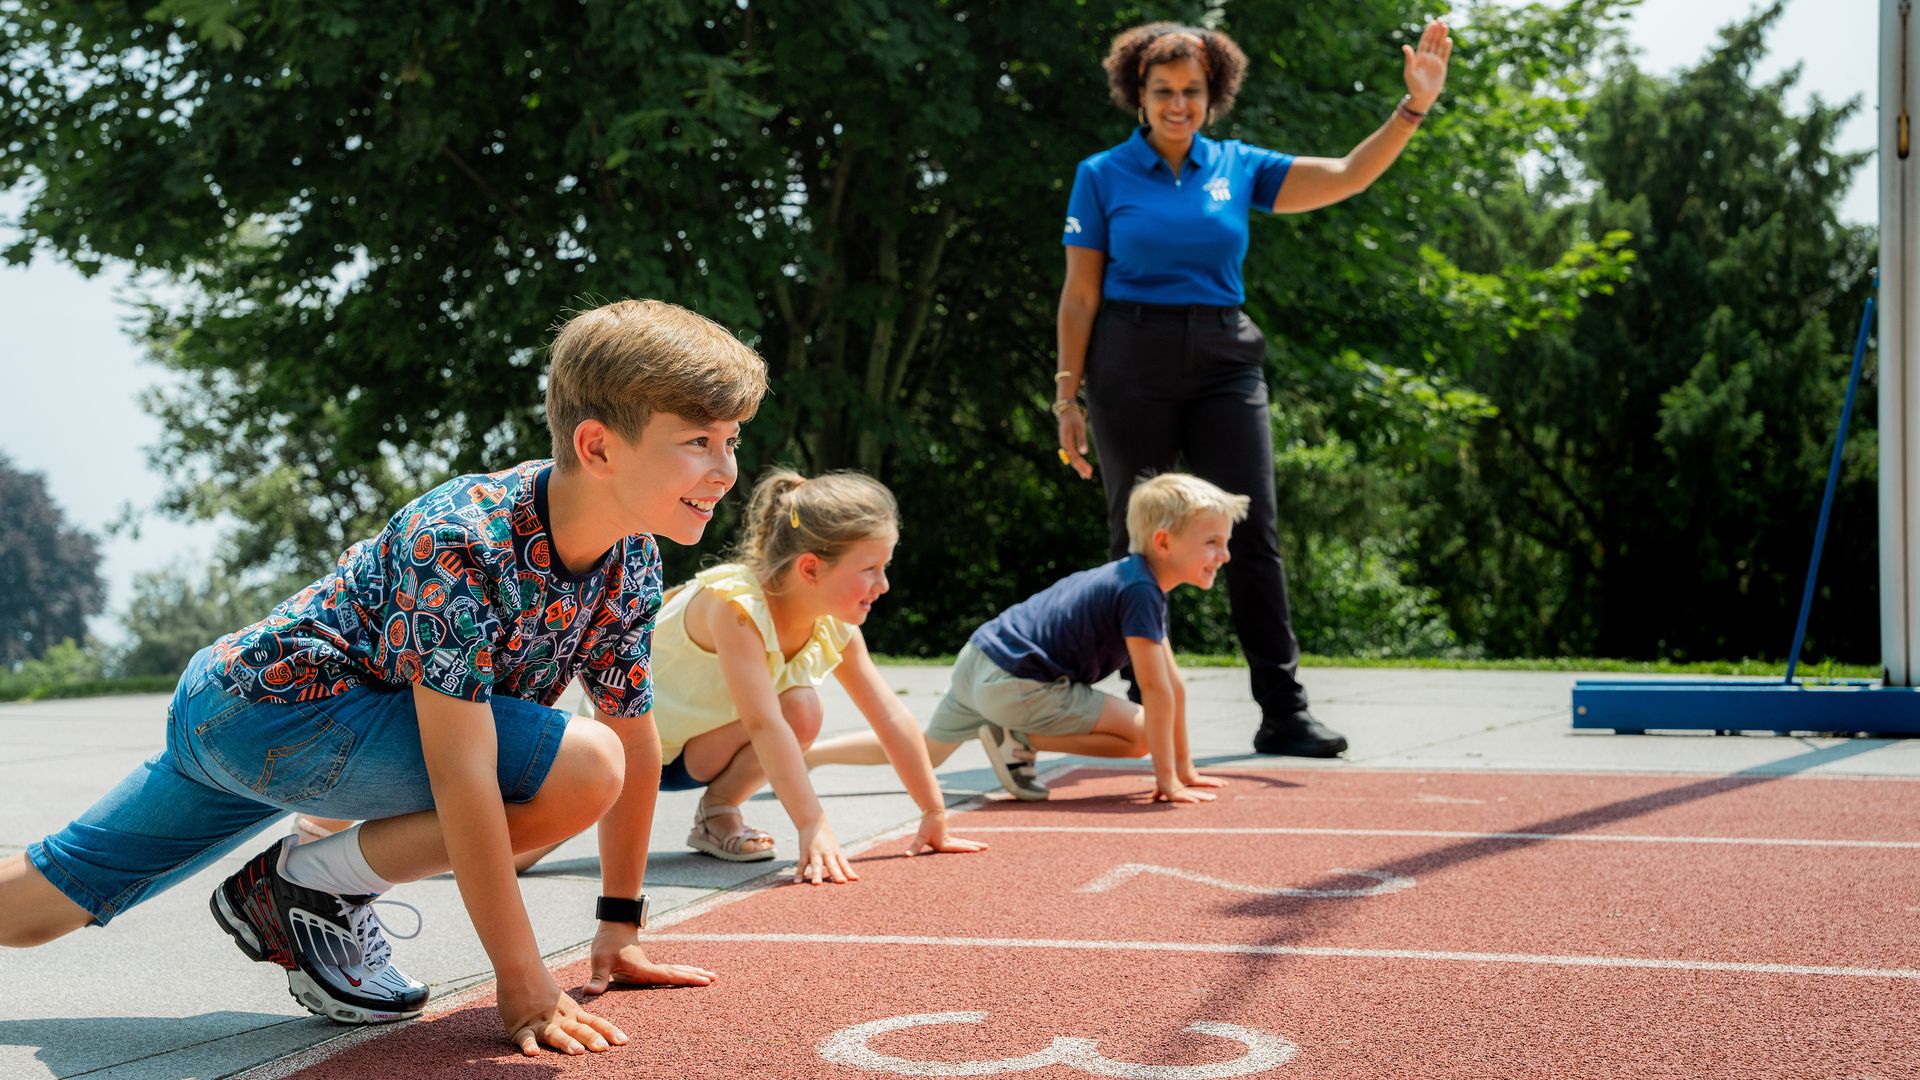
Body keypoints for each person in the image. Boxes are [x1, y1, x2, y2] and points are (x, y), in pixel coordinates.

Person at [0, 298, 765, 1058]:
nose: (726, 470)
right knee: (583, 764)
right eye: (699, 442)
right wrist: (522, 977)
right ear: (597, 446)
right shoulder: (466, 537)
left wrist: (620, 923)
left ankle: (305, 879)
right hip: (274, 715)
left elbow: (636, 727)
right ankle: (299, 889)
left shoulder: (631, 557)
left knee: (33, 911)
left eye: (732, 441)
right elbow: (462, 769)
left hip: (242, 719)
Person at [1053, 19, 1453, 758]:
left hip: (1224, 358)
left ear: (1216, 95)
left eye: (1193, 92)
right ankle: (1150, 710)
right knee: (1137, 538)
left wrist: (1413, 108)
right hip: (1128, 357)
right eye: (1164, 91)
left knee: (1252, 533)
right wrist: (1066, 398)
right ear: (1137, 94)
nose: (1179, 104)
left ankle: (1283, 710)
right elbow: (1079, 297)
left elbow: (1347, 175)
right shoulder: (1101, 175)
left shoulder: (1239, 166)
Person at [809, 472, 1242, 805]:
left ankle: (808, 754)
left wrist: (1186, 768)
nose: (1223, 554)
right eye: (1212, 542)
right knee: (1144, 735)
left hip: (980, 659)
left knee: (925, 749)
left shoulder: (1135, 581)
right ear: (1164, 542)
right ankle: (1017, 737)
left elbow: (1173, 684)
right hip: (1017, 683)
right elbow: (1155, 689)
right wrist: (1167, 779)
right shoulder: (1140, 589)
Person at [648, 468, 987, 883]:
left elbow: (891, 716)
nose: (883, 585)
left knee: (802, 709)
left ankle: (716, 814)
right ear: (810, 569)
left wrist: (934, 812)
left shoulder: (833, 623)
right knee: (788, 711)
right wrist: (812, 823)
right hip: (636, 751)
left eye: (885, 566)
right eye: (870, 569)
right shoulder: (735, 606)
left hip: (694, 753)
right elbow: (763, 723)